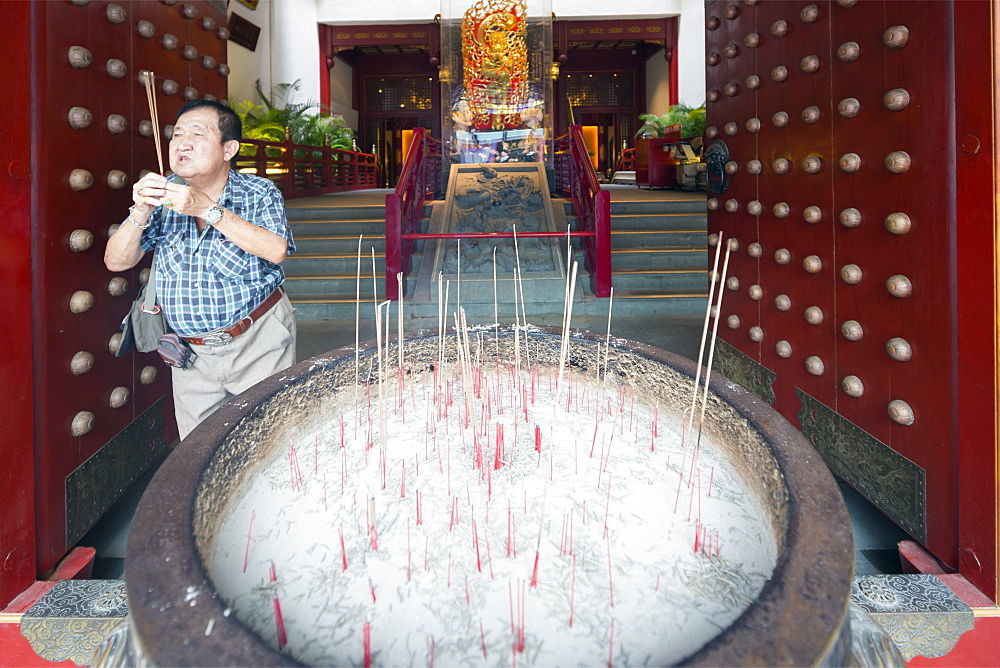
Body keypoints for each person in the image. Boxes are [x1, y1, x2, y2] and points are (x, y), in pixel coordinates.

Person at [105, 99, 297, 439]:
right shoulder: (162, 197)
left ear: (228, 149)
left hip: (258, 340)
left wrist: (208, 210)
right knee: (199, 450)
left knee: (268, 439)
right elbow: (117, 261)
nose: (183, 143)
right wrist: (140, 211)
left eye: (198, 133)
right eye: (177, 134)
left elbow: (276, 249)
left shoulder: (259, 192)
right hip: (191, 354)